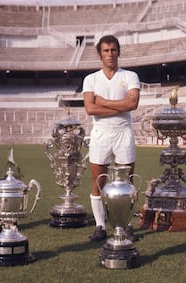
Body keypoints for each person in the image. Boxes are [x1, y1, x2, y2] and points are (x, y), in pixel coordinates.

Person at [82, 35, 140, 242]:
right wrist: (120, 105)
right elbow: (90, 108)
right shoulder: (91, 79)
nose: (110, 54)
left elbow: (132, 105)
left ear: (118, 52)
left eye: (113, 50)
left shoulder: (130, 76)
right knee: (98, 181)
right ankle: (100, 226)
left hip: (123, 132)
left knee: (128, 182)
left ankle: (127, 224)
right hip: (101, 133)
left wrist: (104, 102)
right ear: (100, 54)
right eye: (106, 51)